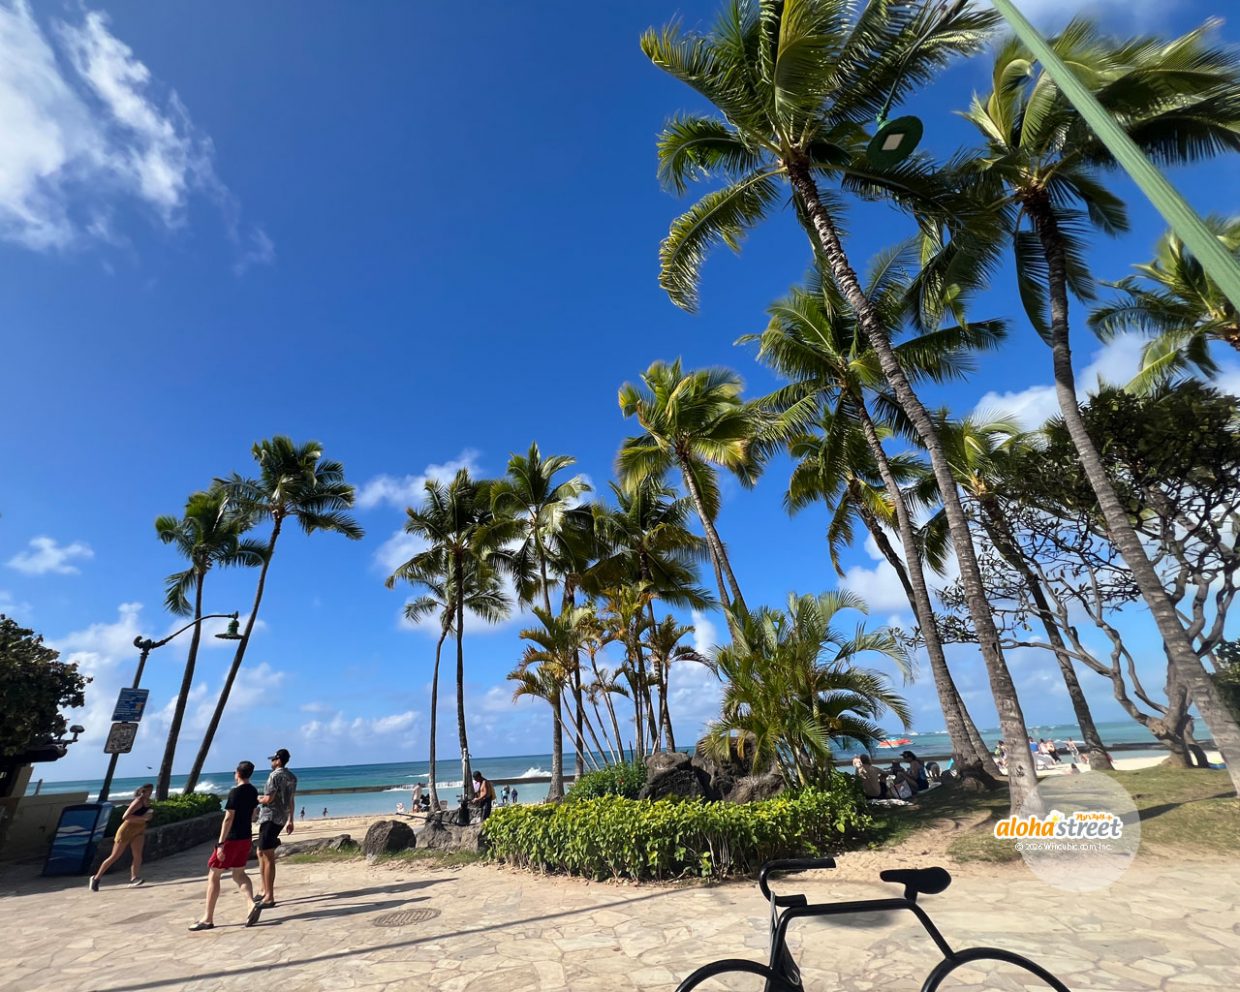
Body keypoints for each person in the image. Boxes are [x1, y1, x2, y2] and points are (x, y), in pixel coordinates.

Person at [188, 761, 263, 932]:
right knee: (239, 874)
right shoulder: (253, 791)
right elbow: (253, 815)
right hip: (246, 837)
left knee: (214, 875)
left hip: (231, 839)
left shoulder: (235, 792)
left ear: (237, 773)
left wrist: (220, 844)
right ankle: (251, 904)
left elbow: (228, 818)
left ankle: (207, 918)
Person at [254, 748, 297, 910]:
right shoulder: (292, 777)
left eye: (273, 759)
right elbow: (291, 799)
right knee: (260, 851)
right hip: (281, 817)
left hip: (270, 817)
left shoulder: (274, 776)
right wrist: (291, 819)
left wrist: (255, 798)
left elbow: (269, 798)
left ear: (278, 760)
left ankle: (269, 897)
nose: (271, 762)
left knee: (268, 855)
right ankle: (264, 888)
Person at [90, 783, 155, 890]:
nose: (151, 792)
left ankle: (134, 878)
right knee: (115, 856)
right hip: (127, 830)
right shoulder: (138, 802)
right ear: (143, 791)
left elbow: (147, 815)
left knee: (137, 855)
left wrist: (148, 817)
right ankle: (96, 878)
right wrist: (143, 818)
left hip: (139, 829)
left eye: (151, 790)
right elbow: (126, 816)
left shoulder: (147, 802)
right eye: (149, 791)